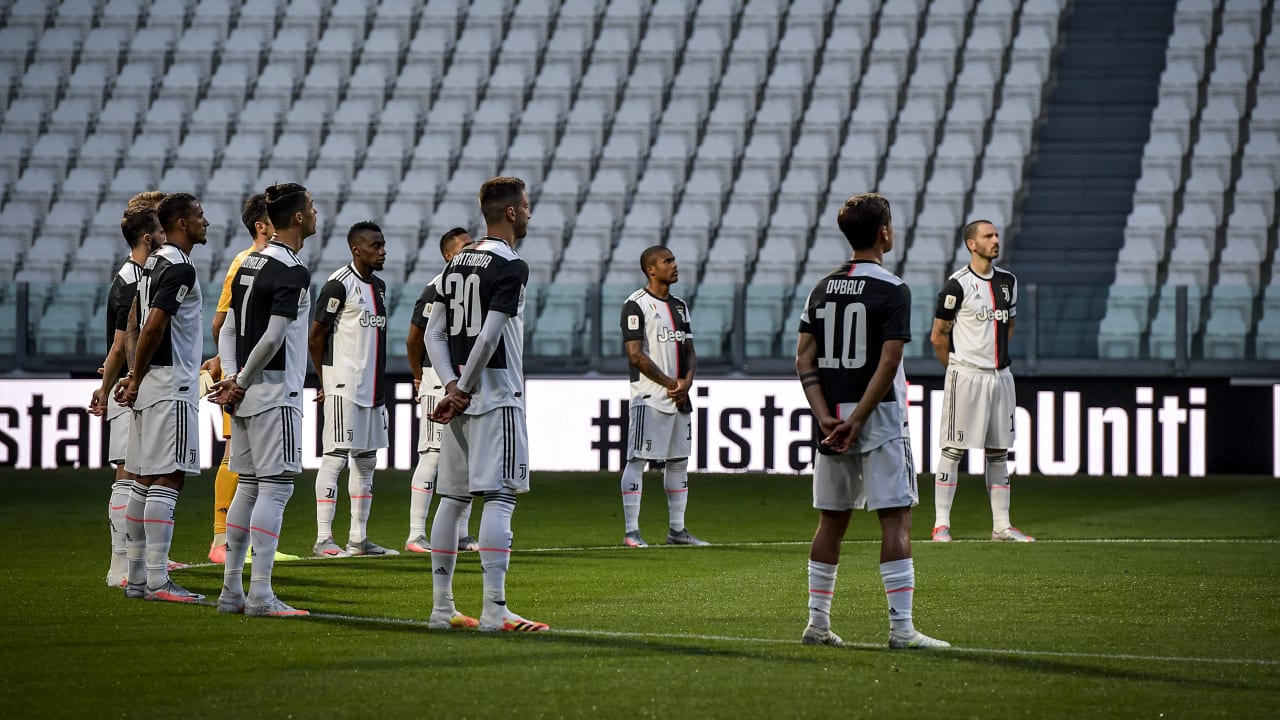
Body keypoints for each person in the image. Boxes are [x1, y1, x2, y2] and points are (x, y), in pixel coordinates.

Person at [796, 192, 949, 649]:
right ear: (884, 232)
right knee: (895, 520)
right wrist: (860, 420)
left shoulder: (821, 288)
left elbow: (805, 356)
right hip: (877, 420)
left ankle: (817, 624)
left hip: (832, 419)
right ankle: (901, 630)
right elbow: (889, 360)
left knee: (831, 522)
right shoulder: (893, 288)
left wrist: (825, 416)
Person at [424, 176, 547, 632]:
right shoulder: (512, 265)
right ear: (512, 212)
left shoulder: (455, 265)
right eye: (527, 206)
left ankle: (442, 609)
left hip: (460, 400)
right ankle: (495, 609)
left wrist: (452, 385)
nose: (530, 213)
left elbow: (435, 333)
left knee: (452, 500)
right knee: (499, 497)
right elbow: (491, 334)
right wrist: (465, 388)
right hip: (497, 397)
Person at [207, 182, 317, 617]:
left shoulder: (250, 262)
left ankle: (231, 591)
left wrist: (234, 377)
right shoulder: (292, 269)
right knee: (276, 489)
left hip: (248, 395)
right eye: (311, 208)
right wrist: (243, 380)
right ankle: (262, 595)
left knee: (248, 489)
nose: (315, 213)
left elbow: (229, 327)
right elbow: (274, 337)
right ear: (296, 218)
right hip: (275, 394)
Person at [115, 192, 208, 603]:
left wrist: (135, 372)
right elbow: (153, 325)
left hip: (152, 382)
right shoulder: (179, 265)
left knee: (142, 479)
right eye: (199, 216)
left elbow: (133, 321)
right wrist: (135, 375)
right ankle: (158, 579)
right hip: (173, 385)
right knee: (169, 477)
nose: (206, 222)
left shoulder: (151, 264)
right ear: (182, 224)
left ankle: (137, 578)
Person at [202, 193, 300, 565]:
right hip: (257, 380)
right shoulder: (248, 263)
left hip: (243, 377)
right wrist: (234, 374)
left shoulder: (255, 263)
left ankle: (232, 549)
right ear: (262, 226)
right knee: (246, 467)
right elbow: (222, 322)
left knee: (248, 472)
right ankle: (221, 538)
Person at [929, 219, 1033, 543]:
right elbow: (938, 336)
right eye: (988, 236)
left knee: (999, 450)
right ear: (971, 244)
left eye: (997, 234)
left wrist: (993, 358)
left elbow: (1009, 326)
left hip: (1000, 377)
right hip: (967, 376)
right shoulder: (956, 285)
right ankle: (941, 525)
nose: (996, 240)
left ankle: (1001, 526)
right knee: (954, 449)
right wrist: (958, 368)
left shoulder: (1008, 282)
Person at [308, 220, 398, 558]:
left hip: (373, 388)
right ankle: (323, 539)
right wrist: (324, 380)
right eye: (375, 245)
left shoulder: (380, 286)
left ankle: (358, 539)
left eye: (383, 244)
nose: (382, 251)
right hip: (343, 386)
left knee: (367, 461)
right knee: (335, 459)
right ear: (355, 248)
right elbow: (316, 337)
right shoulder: (338, 285)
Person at [89, 205, 165, 587]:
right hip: (127, 392)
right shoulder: (133, 279)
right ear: (148, 238)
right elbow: (122, 342)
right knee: (128, 476)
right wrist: (110, 387)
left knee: (140, 476)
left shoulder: (133, 275)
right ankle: (120, 564)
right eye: (161, 230)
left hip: (128, 387)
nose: (167, 236)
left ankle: (141, 559)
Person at [617, 246, 706, 548]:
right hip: (649, 397)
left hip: (679, 397)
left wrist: (686, 383)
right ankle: (631, 532)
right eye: (667, 261)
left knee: (679, 461)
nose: (674, 265)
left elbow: (690, 351)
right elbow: (635, 354)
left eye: (674, 260)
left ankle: (677, 531)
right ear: (651, 269)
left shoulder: (680, 306)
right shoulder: (635, 305)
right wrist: (671, 383)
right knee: (638, 459)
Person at [404, 226, 478, 554]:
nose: (471, 251)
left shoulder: (474, 285)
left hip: (466, 380)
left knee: (470, 460)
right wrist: (419, 376)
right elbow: (415, 337)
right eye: (464, 247)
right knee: (433, 456)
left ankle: (461, 533)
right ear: (449, 255)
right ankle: (416, 534)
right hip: (439, 378)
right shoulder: (437, 287)